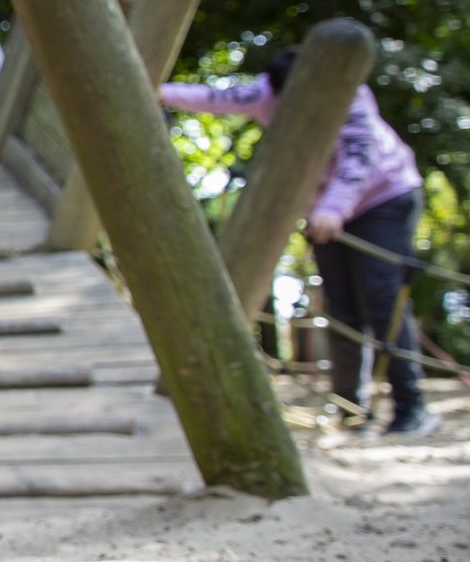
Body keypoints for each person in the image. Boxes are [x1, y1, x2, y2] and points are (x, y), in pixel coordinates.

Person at [159, 48, 436, 437]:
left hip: (382, 198)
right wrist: (160, 92)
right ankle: (350, 407)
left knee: (381, 297)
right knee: (341, 307)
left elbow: (358, 160)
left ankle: (411, 406)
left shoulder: (349, 97)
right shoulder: (269, 93)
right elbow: (218, 97)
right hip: (325, 209)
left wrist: (333, 209)